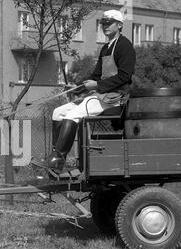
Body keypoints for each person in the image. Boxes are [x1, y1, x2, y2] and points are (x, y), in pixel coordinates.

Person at [48, 9, 136, 172]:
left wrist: (96, 86)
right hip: (101, 95)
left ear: (120, 25)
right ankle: (58, 158)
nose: (105, 26)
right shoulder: (105, 48)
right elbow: (96, 75)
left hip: (116, 98)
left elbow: (125, 77)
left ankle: (58, 160)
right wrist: (78, 87)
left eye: (109, 23)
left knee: (73, 115)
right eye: (103, 24)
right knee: (57, 112)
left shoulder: (125, 46)